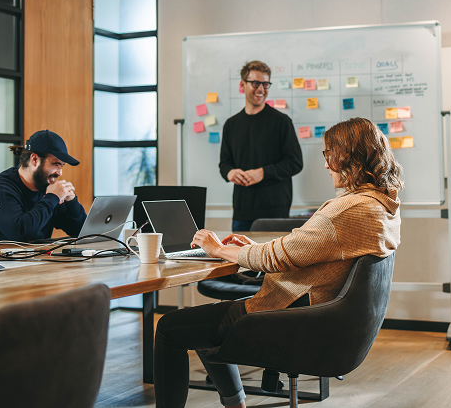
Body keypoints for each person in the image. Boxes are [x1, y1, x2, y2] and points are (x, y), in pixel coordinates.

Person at [155, 117, 402, 408]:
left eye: (329, 154)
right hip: (320, 315)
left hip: (292, 316)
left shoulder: (347, 210)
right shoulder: (381, 204)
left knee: (170, 327)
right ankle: (236, 404)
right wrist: (252, 249)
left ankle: (234, 403)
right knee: (205, 320)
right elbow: (298, 249)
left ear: (349, 157)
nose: (325, 164)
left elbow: (278, 256)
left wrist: (217, 249)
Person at [219, 60, 303, 232]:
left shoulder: (282, 122)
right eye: (256, 83)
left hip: (275, 212)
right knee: (238, 258)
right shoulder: (231, 124)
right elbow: (224, 164)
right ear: (242, 85)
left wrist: (263, 172)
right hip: (242, 211)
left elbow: (295, 162)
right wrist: (230, 172)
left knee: (273, 260)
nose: (261, 89)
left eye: (266, 84)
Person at [0, 129, 87, 242]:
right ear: (35, 159)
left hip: (29, 259)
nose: (59, 172)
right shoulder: (0, 188)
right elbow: (20, 234)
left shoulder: (45, 187)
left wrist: (72, 202)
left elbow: (80, 231)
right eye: (55, 164)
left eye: (61, 165)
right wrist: (51, 197)